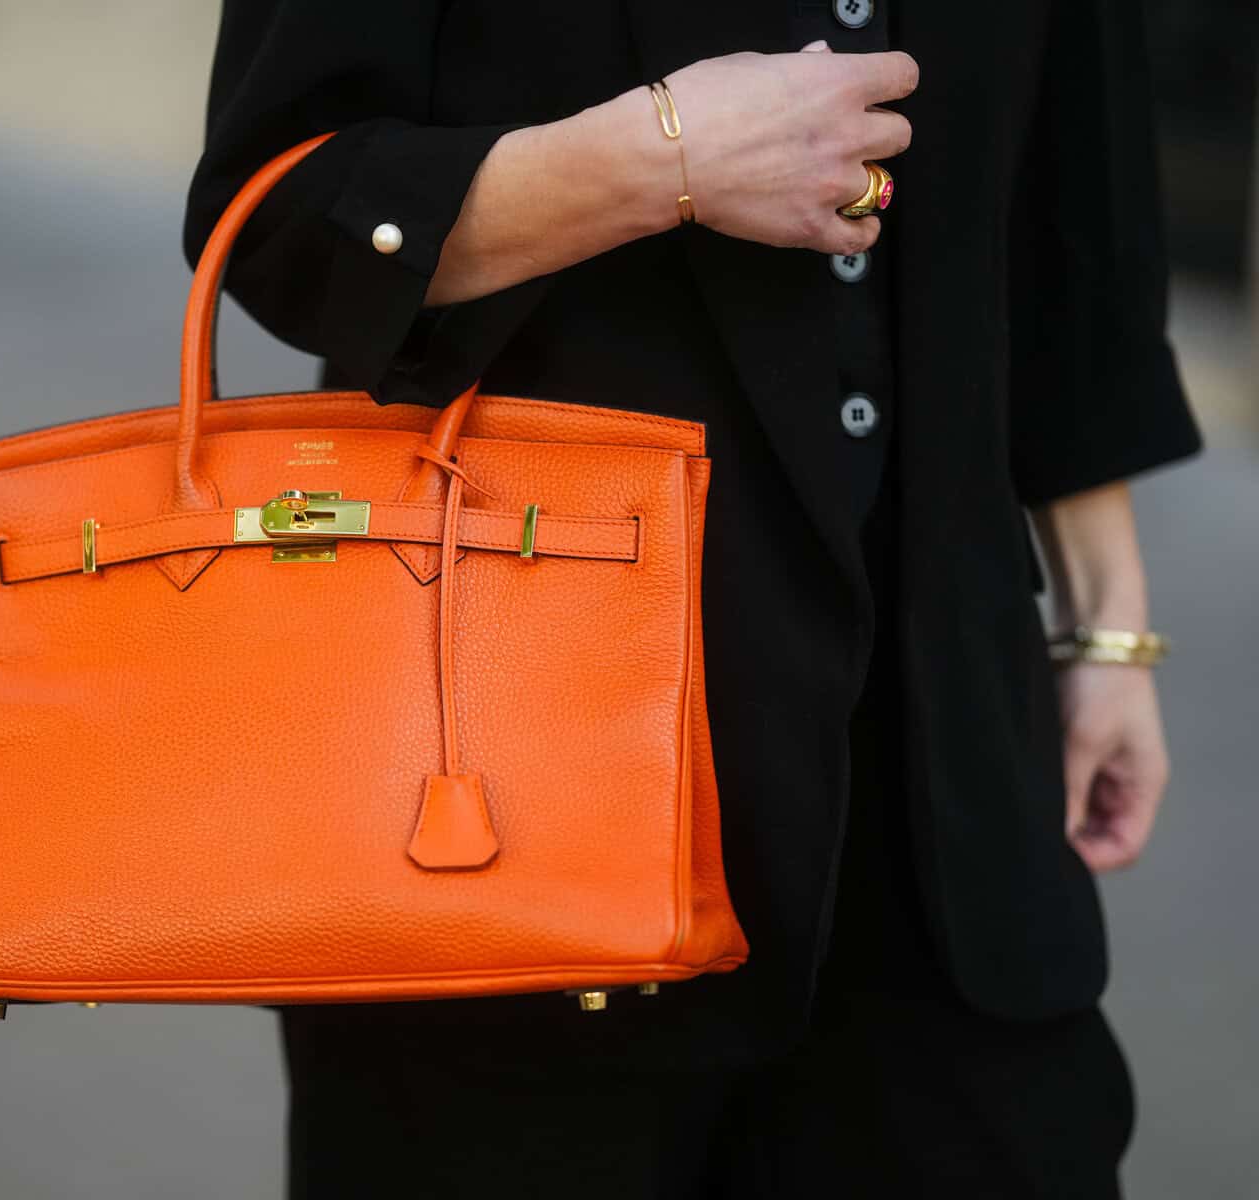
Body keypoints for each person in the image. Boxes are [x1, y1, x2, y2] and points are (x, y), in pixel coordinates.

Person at [182, 1, 1202, 1195]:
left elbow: (1077, 234)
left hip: (942, 790)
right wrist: (656, 161)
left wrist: (1107, 632)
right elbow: (282, 213)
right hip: (506, 775)